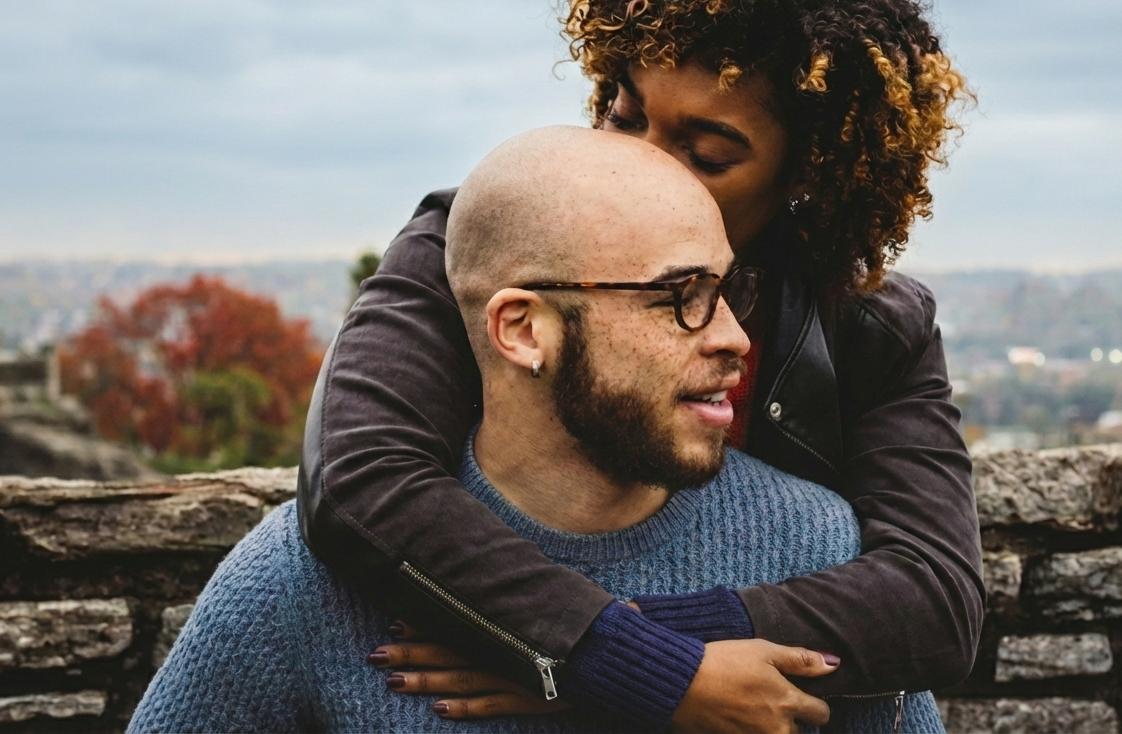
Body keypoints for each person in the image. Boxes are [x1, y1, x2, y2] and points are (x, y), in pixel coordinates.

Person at [301, 0, 982, 732]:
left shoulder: (871, 325)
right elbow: (360, 479)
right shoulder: (482, 241)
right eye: (624, 116)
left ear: (806, 177)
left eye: (707, 154)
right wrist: (615, 660)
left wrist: (634, 657)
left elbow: (935, 600)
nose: (640, 164)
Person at [129, 127, 945, 734]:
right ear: (522, 329)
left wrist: (618, 656)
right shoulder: (304, 583)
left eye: (731, 291)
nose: (733, 336)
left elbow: (937, 601)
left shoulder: (814, 546)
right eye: (681, 296)